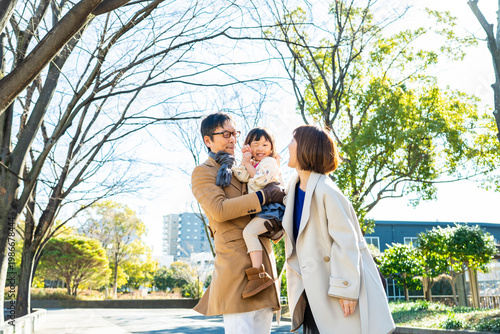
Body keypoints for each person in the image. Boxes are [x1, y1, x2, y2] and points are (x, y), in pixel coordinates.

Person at [282, 125, 396, 334]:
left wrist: (346, 289)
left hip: (333, 288)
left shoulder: (326, 189)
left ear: (305, 148)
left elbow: (346, 240)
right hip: (311, 289)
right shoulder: (292, 189)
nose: (287, 146)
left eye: (292, 141)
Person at [191, 113, 285, 334]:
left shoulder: (241, 169)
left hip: (264, 268)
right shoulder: (203, 172)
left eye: (235, 133)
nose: (233, 138)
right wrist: (264, 197)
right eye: (226, 134)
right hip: (236, 269)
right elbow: (220, 210)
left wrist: (275, 224)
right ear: (208, 140)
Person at [232, 128, 285, 299]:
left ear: (271, 148)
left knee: (249, 232)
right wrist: (245, 159)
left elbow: (260, 179)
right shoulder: (254, 163)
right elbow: (240, 175)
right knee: (250, 232)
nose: (260, 148)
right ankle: (259, 273)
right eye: (255, 144)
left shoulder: (270, 162)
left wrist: (248, 164)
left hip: (272, 209)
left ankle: (258, 274)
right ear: (249, 146)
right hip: (262, 209)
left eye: (265, 144)